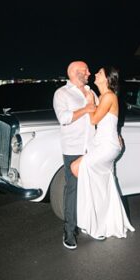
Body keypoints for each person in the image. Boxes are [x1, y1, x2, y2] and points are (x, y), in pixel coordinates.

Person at [70, 66, 135, 240]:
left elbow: (94, 120)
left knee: (77, 168)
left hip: (107, 147)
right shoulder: (104, 97)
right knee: (95, 180)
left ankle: (97, 223)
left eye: (99, 73)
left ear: (107, 79)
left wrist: (90, 102)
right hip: (103, 145)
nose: (95, 74)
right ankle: (99, 221)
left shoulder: (108, 96)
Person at [52, 61, 96, 249]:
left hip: (92, 148)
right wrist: (86, 108)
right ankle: (69, 231)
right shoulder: (61, 93)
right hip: (73, 149)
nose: (89, 72)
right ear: (75, 73)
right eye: (85, 70)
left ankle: (90, 225)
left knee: (92, 188)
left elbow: (101, 113)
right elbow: (64, 118)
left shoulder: (91, 92)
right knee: (73, 190)